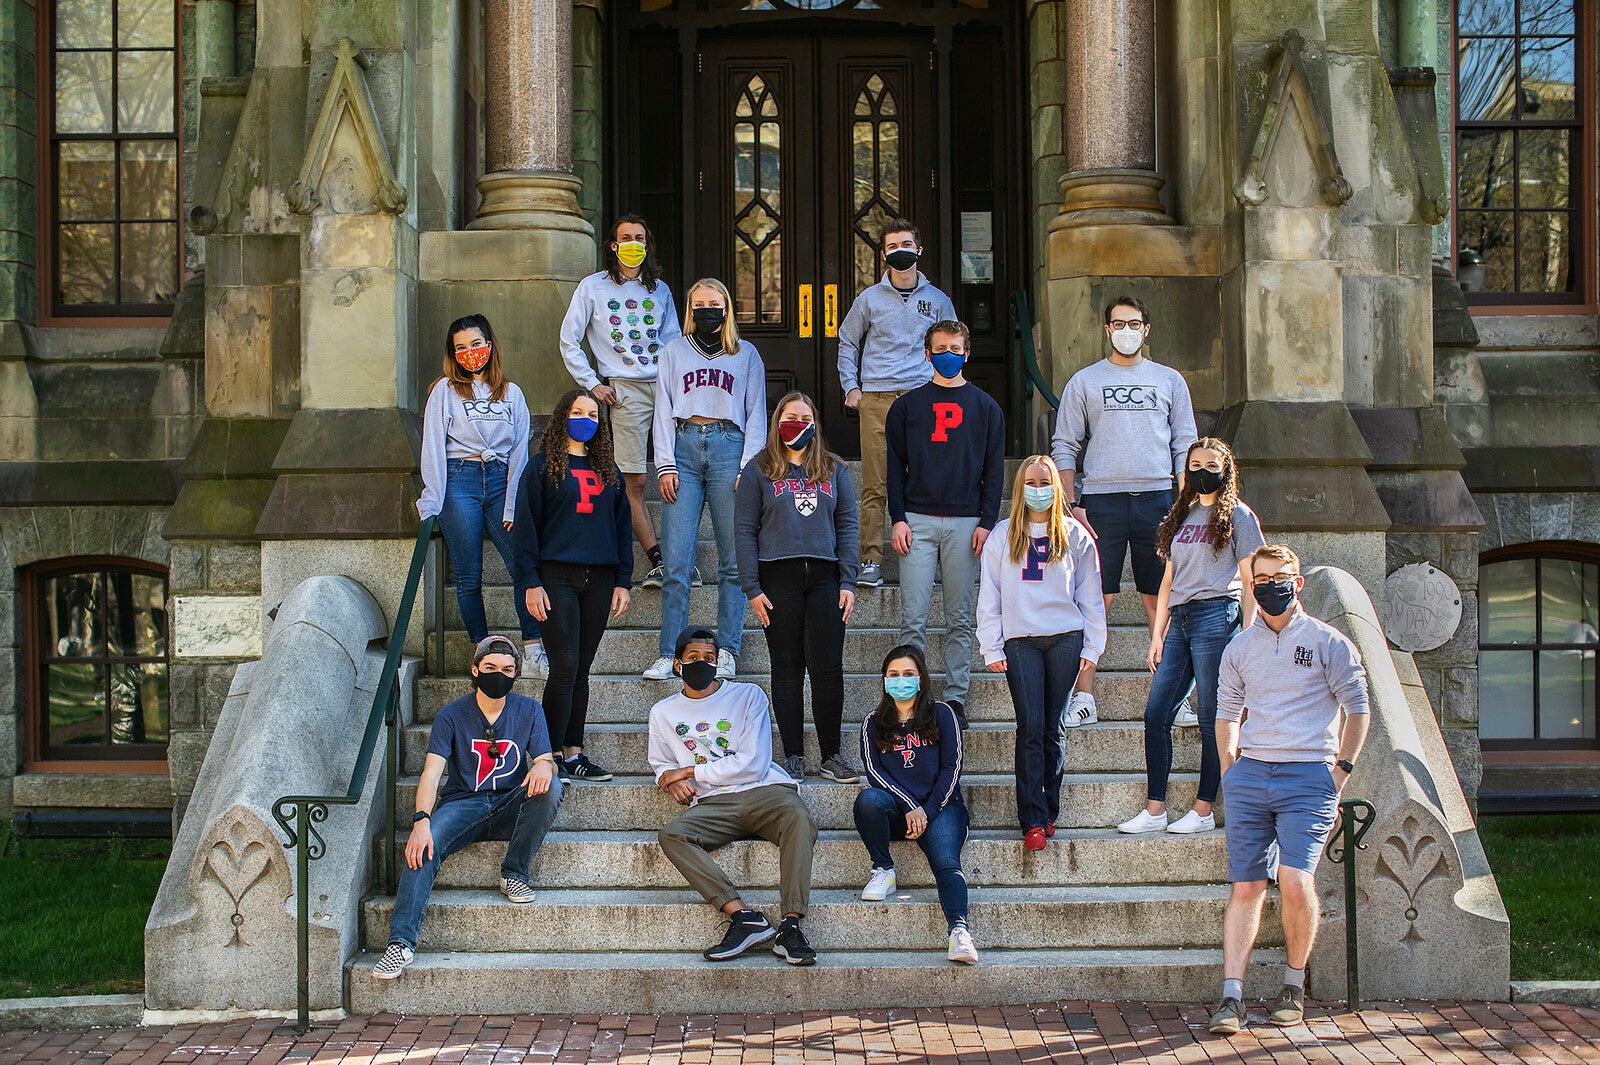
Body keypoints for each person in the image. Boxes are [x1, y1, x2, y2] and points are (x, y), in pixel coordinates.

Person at [1206, 545, 1370, 1034]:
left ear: (1298, 582)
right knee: (1247, 885)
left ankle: (1293, 986)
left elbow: (1359, 709)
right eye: (1262, 578)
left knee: (1296, 881)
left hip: (1309, 778)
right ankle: (1231, 997)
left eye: (1281, 576)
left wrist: (1339, 774)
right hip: (1251, 775)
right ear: (1250, 584)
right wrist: (1230, 769)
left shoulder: (1329, 642)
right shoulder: (1239, 648)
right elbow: (1225, 713)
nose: (1272, 584)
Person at [372, 636, 562, 979]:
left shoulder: (529, 710)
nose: (498, 675)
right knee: (422, 849)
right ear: (475, 670)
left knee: (552, 786)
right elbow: (431, 774)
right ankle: (400, 944)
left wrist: (544, 765)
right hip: (463, 803)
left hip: (509, 803)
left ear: (516, 673)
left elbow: (546, 758)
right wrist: (421, 821)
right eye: (490, 668)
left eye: (507, 669)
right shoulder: (451, 715)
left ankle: (513, 873)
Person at [1050, 294, 1197, 727]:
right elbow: (1065, 445)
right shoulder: (1085, 381)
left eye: (1134, 323)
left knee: (1161, 600)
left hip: (1157, 500)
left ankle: (1174, 698)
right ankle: (1083, 697)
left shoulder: (1170, 380)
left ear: (1146, 330)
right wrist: (1071, 503)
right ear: (1107, 329)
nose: (1126, 330)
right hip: (1101, 504)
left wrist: (1183, 504)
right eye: (1118, 323)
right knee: (1098, 601)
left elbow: (1184, 445)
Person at [1116, 438, 1265, 835]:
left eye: (1210, 464)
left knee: (1212, 716)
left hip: (1217, 615)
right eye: (1195, 463)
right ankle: (1155, 809)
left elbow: (1251, 580)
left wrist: (1249, 634)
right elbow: (1167, 581)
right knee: (1156, 713)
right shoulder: (1179, 515)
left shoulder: (1238, 516)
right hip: (1179, 620)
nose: (1202, 470)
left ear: (1225, 469)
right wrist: (1157, 634)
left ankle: (1203, 809)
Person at [649, 626, 820, 965]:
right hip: (714, 804)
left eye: (709, 658)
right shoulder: (663, 712)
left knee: (800, 820)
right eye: (693, 658)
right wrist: (667, 780)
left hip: (766, 792)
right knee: (673, 835)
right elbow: (661, 761)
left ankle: (790, 926)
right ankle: (744, 918)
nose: (702, 664)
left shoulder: (748, 695)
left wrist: (689, 772)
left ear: (718, 662)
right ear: (677, 664)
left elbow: (753, 763)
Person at [976, 456, 1106, 850]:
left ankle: (1050, 809)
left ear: (1057, 487)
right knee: (1030, 726)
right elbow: (990, 594)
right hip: (1021, 641)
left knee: (1054, 728)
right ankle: (1031, 818)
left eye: (1044, 481)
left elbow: (1090, 593)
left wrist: (1093, 645)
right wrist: (990, 644)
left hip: (1065, 637)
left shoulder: (1073, 534)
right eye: (1030, 482)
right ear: (1020, 488)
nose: (1037, 489)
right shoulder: (1002, 534)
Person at [643, 279, 768, 681]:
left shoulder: (746, 354)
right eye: (699, 304)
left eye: (715, 304)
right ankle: (670, 652)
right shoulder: (674, 351)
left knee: (733, 560)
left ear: (727, 309)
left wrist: (749, 464)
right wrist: (664, 464)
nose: (707, 310)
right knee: (677, 561)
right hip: (683, 447)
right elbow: (662, 409)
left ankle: (728, 648)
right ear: (690, 309)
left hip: (730, 446)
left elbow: (756, 413)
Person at [735, 392, 860, 783]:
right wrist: (751, 587)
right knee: (786, 669)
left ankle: (831, 754)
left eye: (805, 417)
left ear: (815, 423)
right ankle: (793, 755)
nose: (797, 423)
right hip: (776, 578)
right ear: (777, 422)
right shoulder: (759, 471)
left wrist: (848, 580)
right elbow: (743, 530)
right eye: (790, 416)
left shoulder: (834, 470)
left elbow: (848, 526)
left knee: (827, 670)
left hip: (825, 577)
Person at [885, 320, 1005, 727]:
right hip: (916, 520)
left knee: (958, 615)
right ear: (927, 353)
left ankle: (954, 699)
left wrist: (987, 521)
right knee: (913, 617)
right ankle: (910, 699)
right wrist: (898, 519)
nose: (948, 354)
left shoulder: (987, 408)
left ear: (967, 352)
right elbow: (893, 469)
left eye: (955, 347)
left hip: (965, 520)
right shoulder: (906, 407)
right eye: (940, 347)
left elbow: (994, 470)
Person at [512, 389, 635, 783]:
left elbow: (620, 528)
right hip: (557, 577)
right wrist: (530, 582)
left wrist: (623, 581)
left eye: (593, 413)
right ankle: (547, 757)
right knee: (564, 666)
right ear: (563, 415)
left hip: (599, 579)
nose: (586, 418)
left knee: (581, 668)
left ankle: (574, 753)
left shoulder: (607, 468)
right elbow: (526, 529)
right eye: (578, 411)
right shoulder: (541, 466)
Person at [558, 214, 682, 586]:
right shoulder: (592, 287)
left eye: (639, 238)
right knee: (636, 479)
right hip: (624, 388)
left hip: (665, 386)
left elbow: (674, 341)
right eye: (625, 237)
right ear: (613, 245)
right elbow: (569, 340)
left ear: (648, 244)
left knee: (677, 472)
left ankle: (679, 557)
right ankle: (656, 558)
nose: (633, 243)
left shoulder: (659, 290)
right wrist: (593, 384)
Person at [418, 314, 545, 677]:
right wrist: (432, 497)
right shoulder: (444, 390)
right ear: (452, 354)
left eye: (476, 344)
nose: (470, 353)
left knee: (523, 564)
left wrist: (512, 502)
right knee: (469, 573)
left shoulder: (512, 392)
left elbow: (520, 450)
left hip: (502, 478)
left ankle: (534, 650)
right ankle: (484, 654)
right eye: (460, 348)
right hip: (460, 478)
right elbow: (434, 447)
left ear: (490, 345)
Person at [837, 219, 957, 589]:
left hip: (924, 397)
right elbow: (847, 342)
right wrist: (850, 386)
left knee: (927, 478)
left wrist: (948, 387)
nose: (899, 250)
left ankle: (925, 555)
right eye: (892, 246)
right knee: (875, 481)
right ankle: (869, 559)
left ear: (919, 250)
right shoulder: (868, 299)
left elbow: (953, 345)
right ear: (884, 253)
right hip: (876, 397)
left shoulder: (938, 300)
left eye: (906, 243)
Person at [855, 644, 977, 964]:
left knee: (946, 862)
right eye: (893, 675)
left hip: (942, 807)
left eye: (908, 674)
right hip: (899, 810)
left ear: (921, 678)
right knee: (868, 801)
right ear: (884, 680)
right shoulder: (873, 722)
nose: (901, 680)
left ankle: (959, 932)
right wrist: (910, 806)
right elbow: (875, 774)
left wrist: (927, 810)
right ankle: (884, 868)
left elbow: (953, 769)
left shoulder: (942, 714)